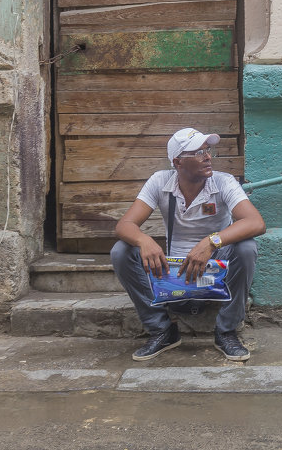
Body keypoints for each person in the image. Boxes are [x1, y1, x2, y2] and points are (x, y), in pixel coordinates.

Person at [111, 128, 266, 362]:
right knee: (121, 251)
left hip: (217, 271)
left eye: (208, 150)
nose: (207, 156)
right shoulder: (160, 181)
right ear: (178, 162)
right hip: (174, 272)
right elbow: (125, 225)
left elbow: (256, 222)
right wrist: (144, 240)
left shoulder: (223, 182)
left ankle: (226, 332)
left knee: (246, 247)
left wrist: (212, 241)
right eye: (199, 152)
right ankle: (162, 330)